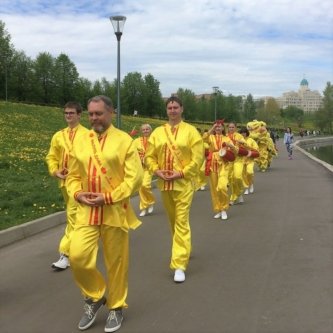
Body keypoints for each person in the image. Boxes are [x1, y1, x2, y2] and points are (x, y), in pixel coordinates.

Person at [66, 95, 143, 332]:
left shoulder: (124, 142)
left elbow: (135, 179)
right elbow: (73, 175)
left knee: (116, 263)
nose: (94, 118)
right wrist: (77, 193)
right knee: (77, 255)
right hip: (87, 210)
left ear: (111, 112)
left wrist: (108, 197)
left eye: (98, 113)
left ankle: (116, 307)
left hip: (114, 211)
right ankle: (95, 295)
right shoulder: (81, 141)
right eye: (90, 114)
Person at [145, 96, 204, 283]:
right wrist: (156, 170)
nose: (172, 110)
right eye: (169, 107)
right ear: (166, 110)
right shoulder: (157, 133)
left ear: (182, 109)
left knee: (181, 220)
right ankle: (184, 248)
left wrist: (181, 173)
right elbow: (149, 156)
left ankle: (179, 264)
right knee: (173, 221)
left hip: (184, 184)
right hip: (164, 184)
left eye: (175, 107)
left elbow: (198, 158)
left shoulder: (191, 132)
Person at [45, 101, 89, 270]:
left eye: (72, 113)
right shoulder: (58, 135)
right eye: (66, 113)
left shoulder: (88, 135)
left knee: (72, 215)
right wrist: (55, 171)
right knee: (75, 216)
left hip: (80, 184)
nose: (69, 116)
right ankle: (85, 241)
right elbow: (52, 156)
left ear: (79, 115)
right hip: (63, 183)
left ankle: (66, 254)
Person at [203, 120, 236, 220]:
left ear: (223, 128)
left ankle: (224, 208)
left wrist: (231, 146)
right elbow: (203, 138)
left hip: (223, 165)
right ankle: (218, 209)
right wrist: (212, 128)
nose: (218, 128)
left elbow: (234, 151)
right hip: (212, 163)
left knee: (222, 187)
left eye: (219, 127)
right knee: (214, 189)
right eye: (216, 127)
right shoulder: (211, 137)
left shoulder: (227, 138)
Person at [133, 123, 155, 217]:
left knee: (145, 185)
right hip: (139, 168)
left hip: (149, 168)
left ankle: (150, 201)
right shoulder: (136, 141)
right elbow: (131, 151)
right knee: (141, 188)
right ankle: (143, 207)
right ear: (141, 131)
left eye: (147, 129)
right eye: (144, 129)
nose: (145, 131)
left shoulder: (155, 140)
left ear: (150, 130)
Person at [227, 122, 246, 205]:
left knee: (237, 177)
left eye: (233, 127)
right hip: (229, 160)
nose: (231, 129)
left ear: (236, 128)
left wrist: (238, 142)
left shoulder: (239, 136)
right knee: (231, 179)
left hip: (238, 159)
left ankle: (238, 193)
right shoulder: (226, 137)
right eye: (230, 127)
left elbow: (244, 144)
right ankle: (235, 196)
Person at [238, 127, 259, 195]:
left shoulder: (251, 140)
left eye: (244, 132)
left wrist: (247, 147)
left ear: (247, 133)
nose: (243, 134)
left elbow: (256, 149)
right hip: (241, 160)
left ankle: (251, 184)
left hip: (250, 160)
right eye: (241, 133)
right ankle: (246, 188)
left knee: (249, 172)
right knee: (243, 175)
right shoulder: (239, 140)